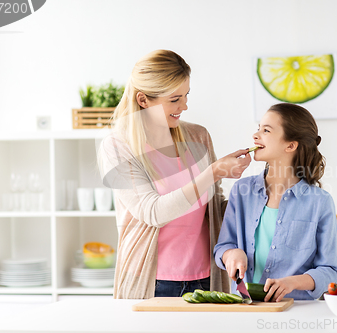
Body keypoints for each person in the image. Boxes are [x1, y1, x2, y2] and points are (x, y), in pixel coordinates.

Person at [97, 50, 251, 299]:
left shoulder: (198, 137)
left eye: (186, 95)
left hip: (205, 276)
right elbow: (152, 212)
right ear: (143, 100)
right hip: (151, 280)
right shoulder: (118, 145)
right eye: (175, 99)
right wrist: (211, 173)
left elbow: (214, 207)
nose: (185, 106)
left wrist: (261, 192)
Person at [214, 103, 337, 302]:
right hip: (245, 306)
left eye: (266, 130)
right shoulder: (241, 191)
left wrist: (293, 282)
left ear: (290, 145)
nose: (255, 136)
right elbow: (223, 246)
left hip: (296, 309)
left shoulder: (320, 202)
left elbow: (331, 270)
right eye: (258, 129)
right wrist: (231, 254)